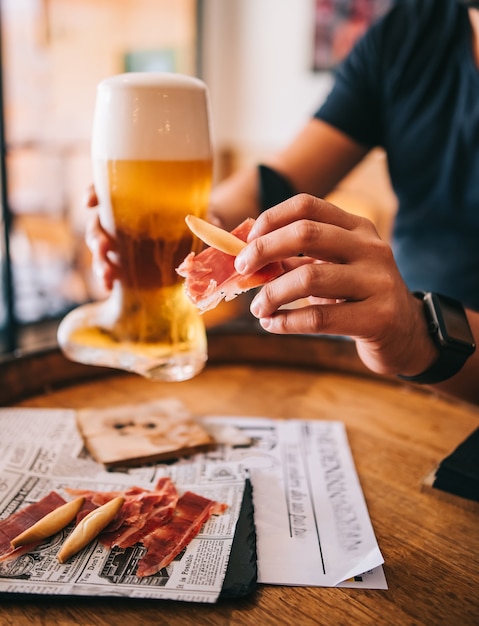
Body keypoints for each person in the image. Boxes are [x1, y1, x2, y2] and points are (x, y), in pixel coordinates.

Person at [85, 0, 479, 405]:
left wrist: (416, 333)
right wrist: (206, 227)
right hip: (407, 377)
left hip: (430, 359)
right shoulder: (409, 32)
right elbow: (278, 182)